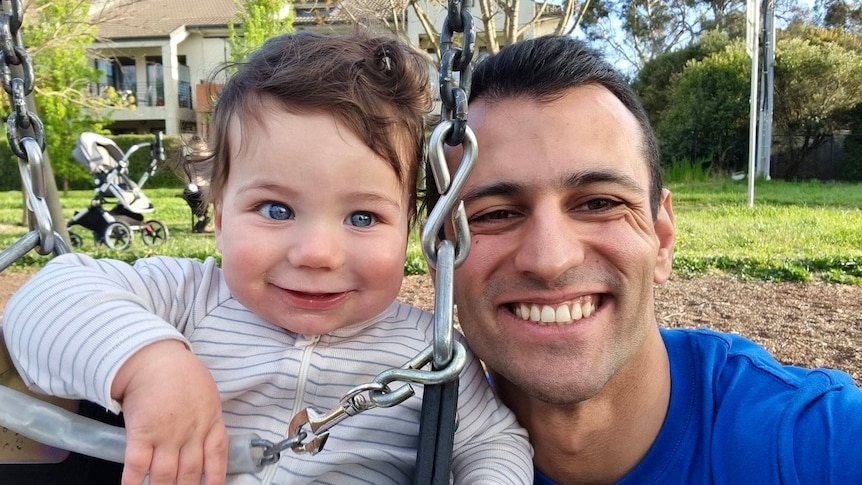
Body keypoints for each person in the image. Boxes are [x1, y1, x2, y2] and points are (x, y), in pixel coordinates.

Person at [2, 32, 532, 485]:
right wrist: (152, 364)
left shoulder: (428, 349)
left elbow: (493, 442)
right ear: (220, 216)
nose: (316, 253)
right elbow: (47, 298)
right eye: (275, 209)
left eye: (363, 218)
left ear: (415, 232)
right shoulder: (187, 296)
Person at [427, 35, 862, 484]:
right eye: (495, 213)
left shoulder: (817, 444)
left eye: (598, 204)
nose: (550, 259)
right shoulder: (386, 448)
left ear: (662, 237)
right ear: (437, 258)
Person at [177, 134, 212, 233]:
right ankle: (202, 217)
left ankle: (202, 218)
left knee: (193, 194)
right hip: (196, 186)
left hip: (207, 186)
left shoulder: (208, 157)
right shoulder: (190, 158)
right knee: (189, 193)